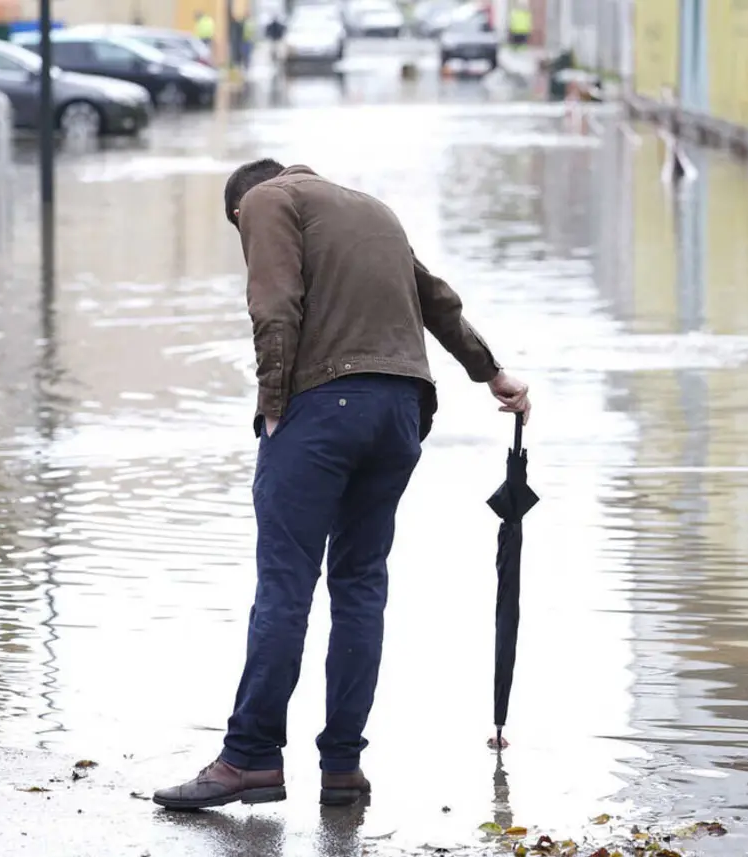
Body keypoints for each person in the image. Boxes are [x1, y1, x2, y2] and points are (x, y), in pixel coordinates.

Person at [152, 160, 531, 811]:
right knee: (359, 584)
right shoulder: (371, 209)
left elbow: (274, 305)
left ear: (241, 211)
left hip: (326, 407)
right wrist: (492, 373)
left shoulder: (266, 201)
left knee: (286, 580)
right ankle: (343, 766)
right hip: (401, 412)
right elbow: (437, 300)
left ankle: (249, 758)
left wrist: (273, 406)